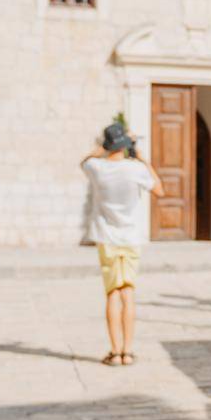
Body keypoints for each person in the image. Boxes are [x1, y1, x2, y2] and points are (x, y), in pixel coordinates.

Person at [80, 123, 164, 365]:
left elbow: (85, 160)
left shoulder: (96, 168)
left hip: (107, 238)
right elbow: (159, 189)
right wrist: (141, 157)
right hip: (131, 238)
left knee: (111, 293)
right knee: (128, 292)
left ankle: (115, 351)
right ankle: (128, 350)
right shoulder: (136, 169)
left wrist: (100, 148)